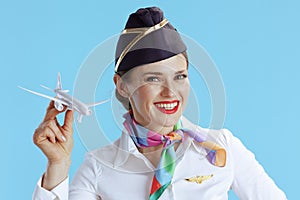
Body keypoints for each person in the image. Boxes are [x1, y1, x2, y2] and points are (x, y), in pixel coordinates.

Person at [32, 7, 287, 200]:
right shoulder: (98, 166)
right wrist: (58, 166)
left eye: (180, 77)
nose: (170, 92)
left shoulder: (222, 147)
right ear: (122, 85)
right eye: (153, 78)